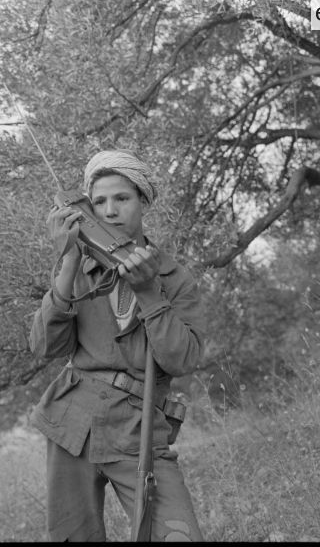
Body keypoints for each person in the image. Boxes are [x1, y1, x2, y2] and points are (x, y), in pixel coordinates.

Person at [29, 149, 205, 542]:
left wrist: (148, 292)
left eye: (122, 198)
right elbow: (44, 346)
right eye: (100, 202)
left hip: (140, 429)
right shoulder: (78, 271)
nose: (110, 211)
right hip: (73, 425)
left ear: (143, 202)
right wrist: (69, 260)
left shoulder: (173, 279)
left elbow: (183, 359)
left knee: (178, 535)